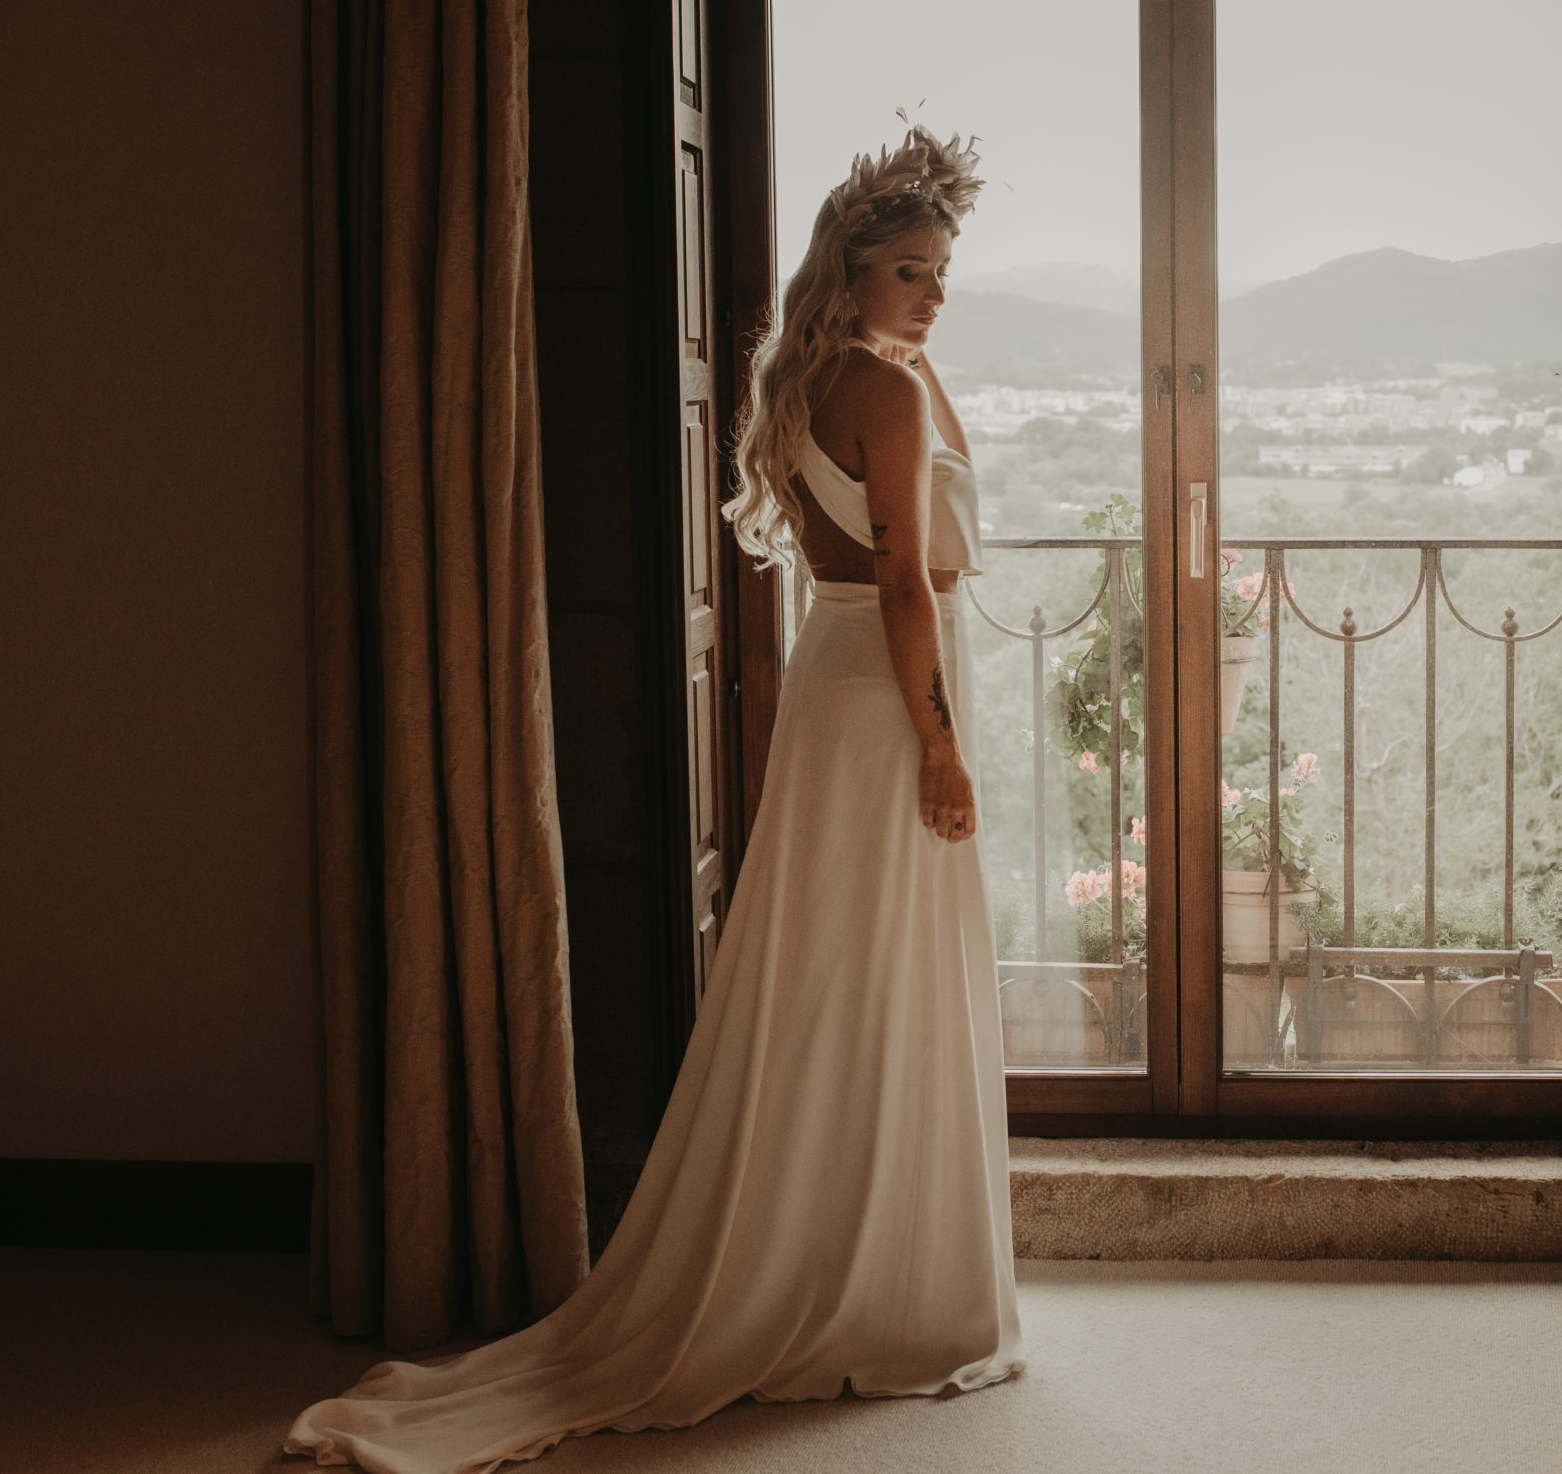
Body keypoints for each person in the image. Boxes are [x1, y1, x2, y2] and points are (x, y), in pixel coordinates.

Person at [285, 126, 1021, 1474]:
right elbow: (911, 581)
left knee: (831, 978)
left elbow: (864, 550)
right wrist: (942, 744)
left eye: (941, 272)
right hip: (889, 694)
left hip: (829, 686)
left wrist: (905, 328)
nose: (931, 294)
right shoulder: (890, 394)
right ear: (849, 271)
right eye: (910, 271)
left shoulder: (810, 378)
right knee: (887, 975)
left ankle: (845, 1247)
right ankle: (892, 1282)